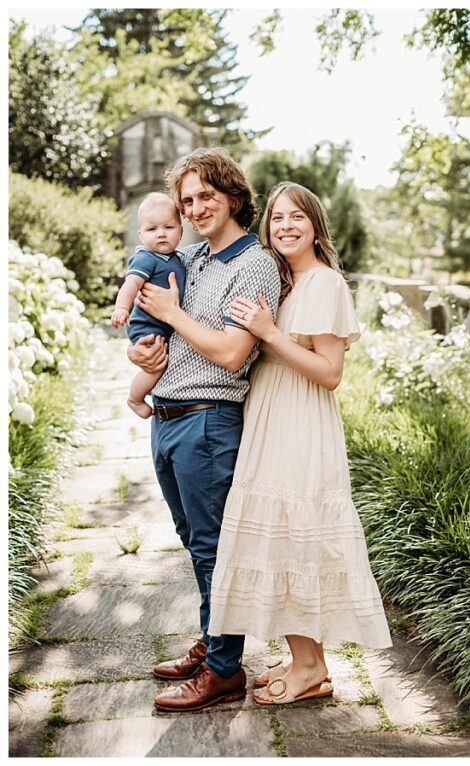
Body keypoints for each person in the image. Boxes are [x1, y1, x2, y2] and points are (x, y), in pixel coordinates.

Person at [208, 182, 392, 706]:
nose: (284, 226)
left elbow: (330, 372)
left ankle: (311, 668)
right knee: (277, 541)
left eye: (296, 218)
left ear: (315, 225)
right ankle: (305, 658)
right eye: (276, 218)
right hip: (267, 413)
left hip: (301, 419)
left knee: (296, 537)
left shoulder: (326, 283)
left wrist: (269, 332)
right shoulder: (281, 280)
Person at [128, 148, 282, 712]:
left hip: (209, 421)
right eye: (186, 200)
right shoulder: (186, 258)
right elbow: (149, 328)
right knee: (195, 544)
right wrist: (143, 355)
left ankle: (223, 671)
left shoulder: (255, 263)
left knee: (215, 548)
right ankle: (214, 642)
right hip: (166, 418)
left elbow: (231, 353)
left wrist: (171, 315)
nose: (194, 209)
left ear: (233, 196)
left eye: (205, 197)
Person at [110, 192, 186, 419]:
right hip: (146, 325)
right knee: (157, 364)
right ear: (141, 234)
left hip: (164, 324)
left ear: (181, 232)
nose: (161, 234)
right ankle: (135, 398)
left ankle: (151, 387)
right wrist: (122, 308)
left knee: (163, 360)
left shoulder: (178, 258)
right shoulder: (146, 258)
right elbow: (131, 284)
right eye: (152, 229)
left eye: (169, 228)